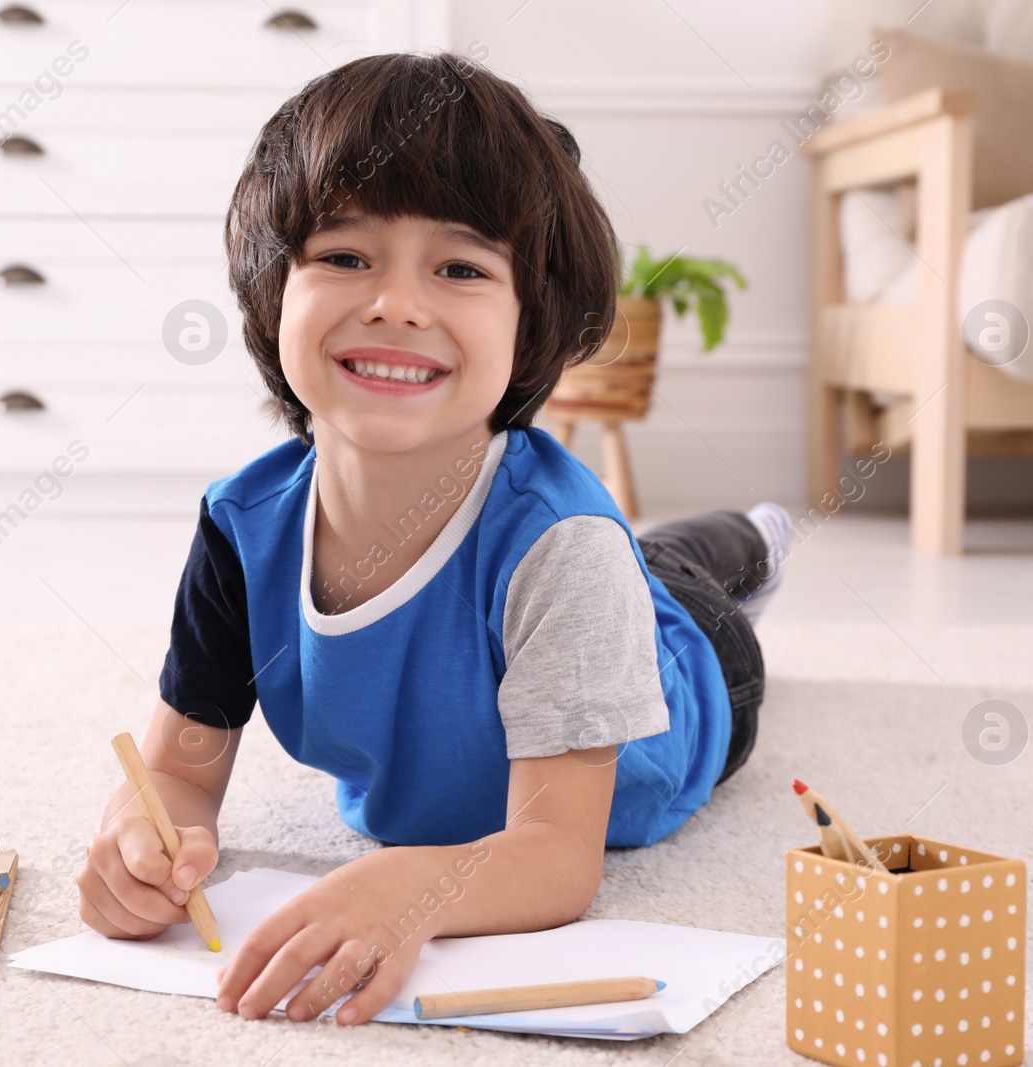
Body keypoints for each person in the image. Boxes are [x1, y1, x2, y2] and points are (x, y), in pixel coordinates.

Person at [76, 49, 795, 1027]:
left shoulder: (564, 545)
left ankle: (749, 545)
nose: (396, 304)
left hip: (688, 678)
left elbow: (554, 856)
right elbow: (176, 768)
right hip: (563, 591)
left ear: (528, 318)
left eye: (459, 267)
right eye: (343, 255)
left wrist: (402, 893)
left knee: (678, 576)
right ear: (270, 288)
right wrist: (139, 839)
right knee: (648, 557)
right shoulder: (242, 526)